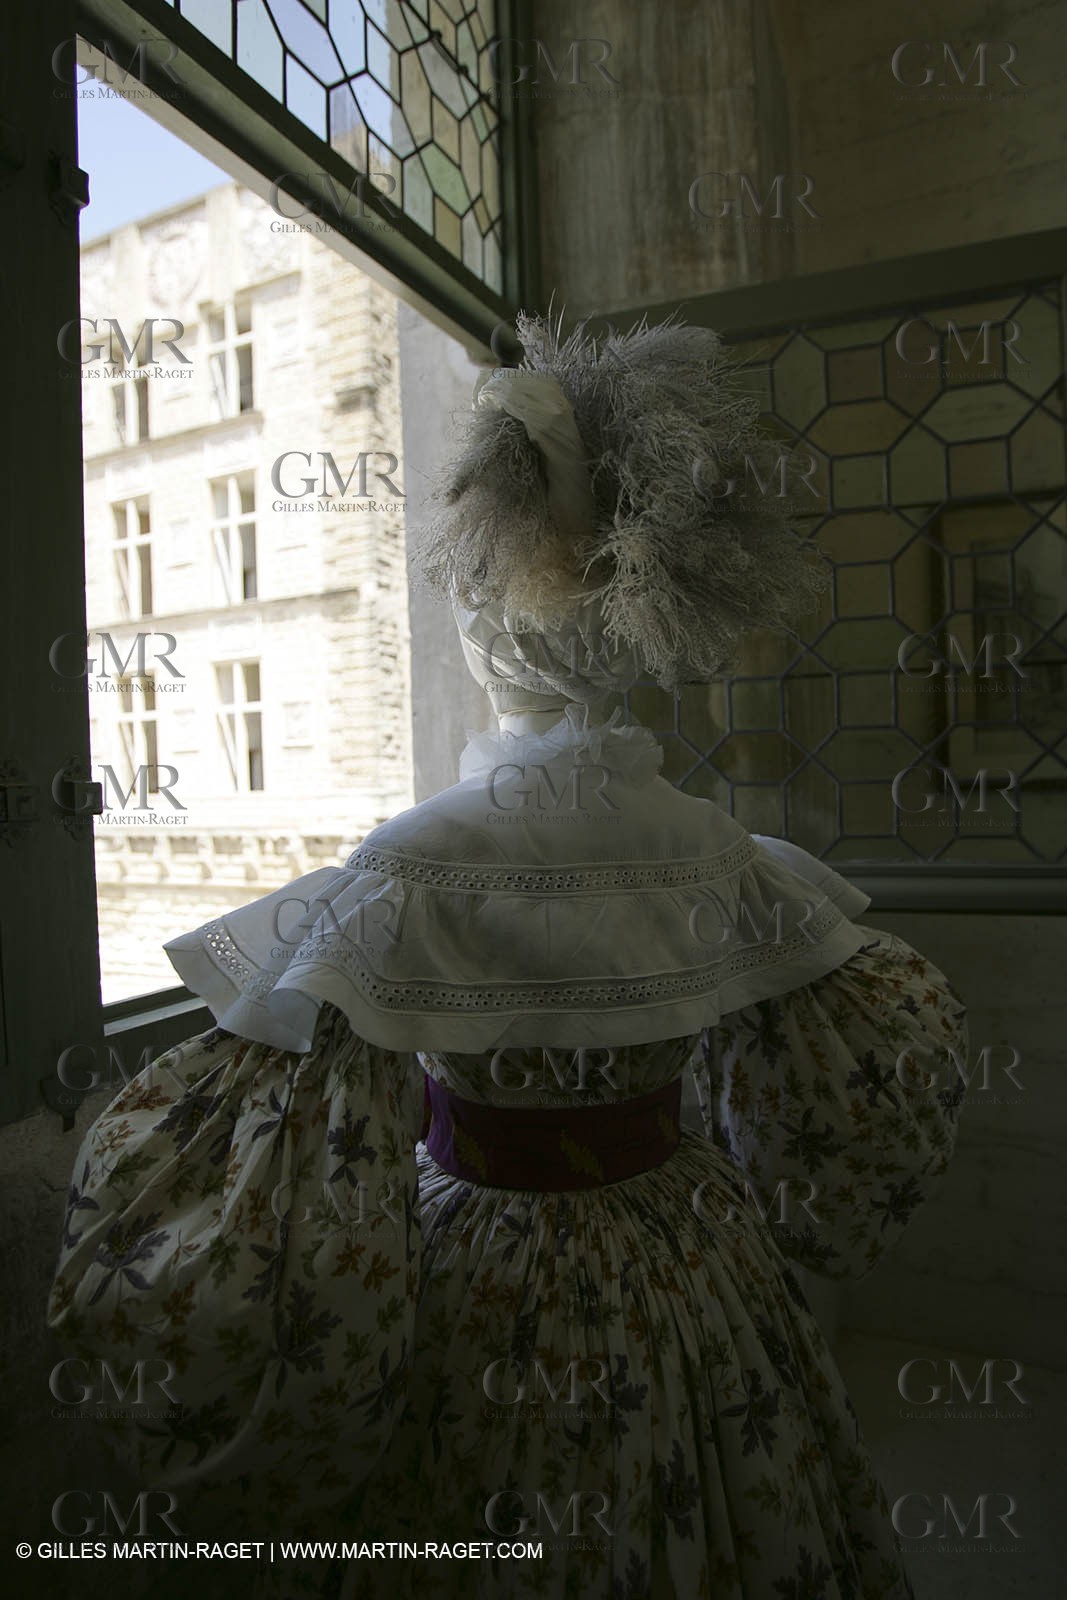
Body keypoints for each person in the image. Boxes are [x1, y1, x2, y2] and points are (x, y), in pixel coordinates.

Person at [49, 314, 966, 1600]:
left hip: (483, 1268)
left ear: (487, 630)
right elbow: (865, 1089)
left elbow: (280, 1175)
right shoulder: (710, 845)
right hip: (692, 1259)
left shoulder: (415, 863)